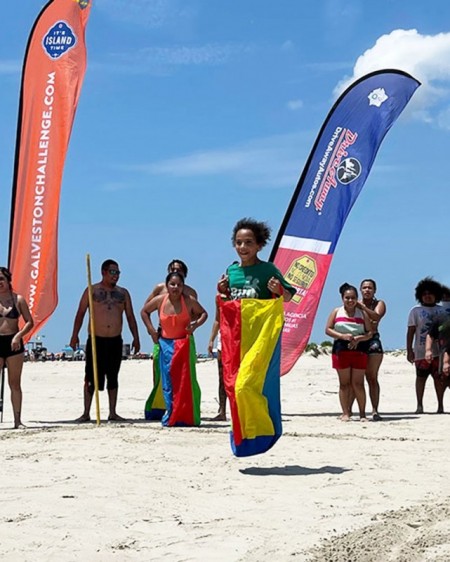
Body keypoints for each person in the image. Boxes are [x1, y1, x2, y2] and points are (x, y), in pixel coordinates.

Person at [217, 218, 296, 456]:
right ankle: (246, 433)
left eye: (248, 242)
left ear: (259, 245)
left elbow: (290, 296)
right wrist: (223, 291)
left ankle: (265, 430)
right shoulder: (231, 271)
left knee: (246, 385)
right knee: (233, 387)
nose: (243, 247)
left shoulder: (268, 270)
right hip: (236, 340)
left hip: (260, 340)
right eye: (239, 242)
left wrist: (278, 290)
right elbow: (230, 303)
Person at [70, 259, 140, 422]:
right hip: (96, 340)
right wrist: (74, 335)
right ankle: (86, 412)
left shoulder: (123, 293)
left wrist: (136, 337)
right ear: (103, 272)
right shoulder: (92, 290)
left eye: (118, 273)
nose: (115, 276)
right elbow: (80, 313)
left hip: (115, 340)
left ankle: (113, 412)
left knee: (113, 376)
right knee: (91, 377)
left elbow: (130, 317)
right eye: (112, 272)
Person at [141, 271, 207, 426]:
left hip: (183, 346)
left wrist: (195, 325)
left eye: (179, 284)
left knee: (186, 383)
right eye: (172, 284)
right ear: (167, 286)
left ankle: (188, 417)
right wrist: (151, 331)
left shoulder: (189, 301)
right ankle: (171, 415)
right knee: (168, 384)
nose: (175, 287)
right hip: (165, 346)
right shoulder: (159, 300)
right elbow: (144, 311)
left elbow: (204, 313)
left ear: (183, 286)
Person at [325, 283, 372, 422]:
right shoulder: (336, 312)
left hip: (359, 350)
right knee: (344, 383)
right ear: (342, 298)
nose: (350, 301)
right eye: (347, 298)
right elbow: (328, 329)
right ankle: (345, 413)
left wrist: (359, 338)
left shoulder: (362, 313)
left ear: (357, 298)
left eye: (353, 298)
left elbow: (370, 332)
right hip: (341, 349)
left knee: (358, 383)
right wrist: (342, 336)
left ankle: (362, 414)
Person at [0, 267, 34, 429]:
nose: (0, 283)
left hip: (13, 343)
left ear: (8, 280)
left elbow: (29, 322)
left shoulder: (18, 300)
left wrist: (18, 336)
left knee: (14, 383)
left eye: (1, 279)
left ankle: (17, 420)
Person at [406, 277, 445, 414]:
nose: (427, 296)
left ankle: (440, 406)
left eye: (430, 293)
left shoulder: (443, 310)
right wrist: (409, 350)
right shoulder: (415, 311)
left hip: (440, 352)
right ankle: (419, 405)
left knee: (439, 379)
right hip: (420, 350)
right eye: (424, 294)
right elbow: (411, 331)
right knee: (421, 377)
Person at [356, 279, 386, 421]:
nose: (367, 290)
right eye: (364, 287)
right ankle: (351, 410)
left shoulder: (379, 304)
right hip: (358, 339)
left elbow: (376, 316)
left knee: (372, 377)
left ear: (374, 290)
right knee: (355, 378)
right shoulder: (355, 303)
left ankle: (375, 410)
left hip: (373, 340)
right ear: (360, 290)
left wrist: (362, 308)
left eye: (370, 288)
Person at [207, 301, 226, 421]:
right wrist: (211, 340)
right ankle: (222, 411)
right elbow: (217, 319)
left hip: (240, 338)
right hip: (223, 339)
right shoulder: (220, 297)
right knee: (222, 377)